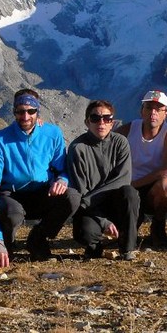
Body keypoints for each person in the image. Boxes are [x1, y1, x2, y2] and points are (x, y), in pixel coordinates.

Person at [0, 89, 81, 268]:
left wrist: (62, 180)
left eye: (31, 111)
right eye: (20, 111)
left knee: (72, 197)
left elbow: (63, 169)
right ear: (14, 112)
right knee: (12, 213)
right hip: (12, 195)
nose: (25, 116)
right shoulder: (0, 140)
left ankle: (38, 238)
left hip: (42, 191)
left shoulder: (52, 133)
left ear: (37, 112)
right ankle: (6, 242)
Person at [67, 100, 140, 260]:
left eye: (106, 118)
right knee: (85, 233)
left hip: (115, 204)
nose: (101, 122)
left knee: (130, 193)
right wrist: (103, 222)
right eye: (95, 118)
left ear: (112, 123)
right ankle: (97, 245)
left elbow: (123, 180)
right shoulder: (77, 148)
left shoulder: (120, 143)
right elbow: (81, 192)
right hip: (90, 209)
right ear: (87, 122)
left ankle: (127, 248)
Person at [115, 90, 167, 246]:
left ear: (166, 114)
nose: (153, 113)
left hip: (149, 188)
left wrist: (136, 184)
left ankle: (158, 224)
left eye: (158, 109)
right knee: (123, 234)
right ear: (142, 111)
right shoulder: (128, 129)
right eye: (149, 107)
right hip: (128, 187)